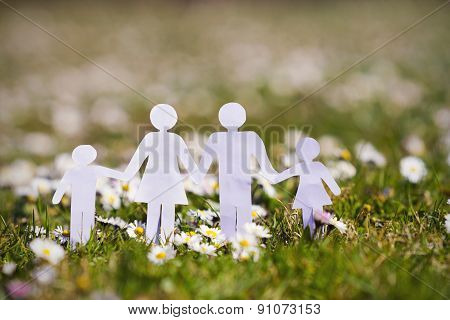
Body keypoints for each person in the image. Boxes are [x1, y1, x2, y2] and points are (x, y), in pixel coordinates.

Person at [198, 102, 278, 239]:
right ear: (243, 118)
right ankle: (241, 246)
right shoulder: (251, 137)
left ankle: (230, 245)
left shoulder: (216, 139)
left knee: (231, 220)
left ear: (221, 118)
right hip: (238, 187)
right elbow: (268, 169)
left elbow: (200, 171)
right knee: (242, 221)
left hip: (232, 187)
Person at [122, 104, 199, 244]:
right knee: (167, 211)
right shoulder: (176, 139)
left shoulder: (151, 138)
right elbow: (188, 162)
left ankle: (151, 242)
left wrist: (126, 175)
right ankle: (165, 243)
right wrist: (197, 176)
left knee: (154, 211)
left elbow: (137, 161)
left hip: (154, 181)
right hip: (170, 182)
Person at [52, 145, 125, 246]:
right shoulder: (87, 170)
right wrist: (124, 176)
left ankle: (81, 244)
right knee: (81, 222)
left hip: (83, 203)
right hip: (82, 203)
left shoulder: (76, 171)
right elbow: (63, 185)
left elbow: (62, 186)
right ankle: (80, 244)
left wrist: (57, 198)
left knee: (83, 222)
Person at [274, 137, 341, 236]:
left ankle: (315, 235)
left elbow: (282, 176)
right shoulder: (314, 166)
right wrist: (336, 190)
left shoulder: (309, 166)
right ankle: (311, 236)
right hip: (310, 195)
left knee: (316, 214)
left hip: (309, 195)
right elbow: (284, 175)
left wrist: (273, 178)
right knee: (310, 216)